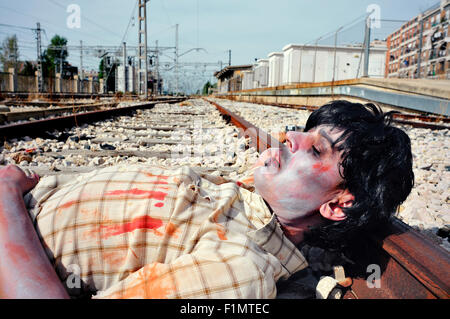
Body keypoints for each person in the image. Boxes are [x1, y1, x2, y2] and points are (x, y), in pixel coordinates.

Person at [0, 100, 414, 299]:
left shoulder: (242, 269)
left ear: (337, 206)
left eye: (316, 150)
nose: (290, 136)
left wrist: (6, 202)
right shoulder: (249, 199)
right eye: (304, 130)